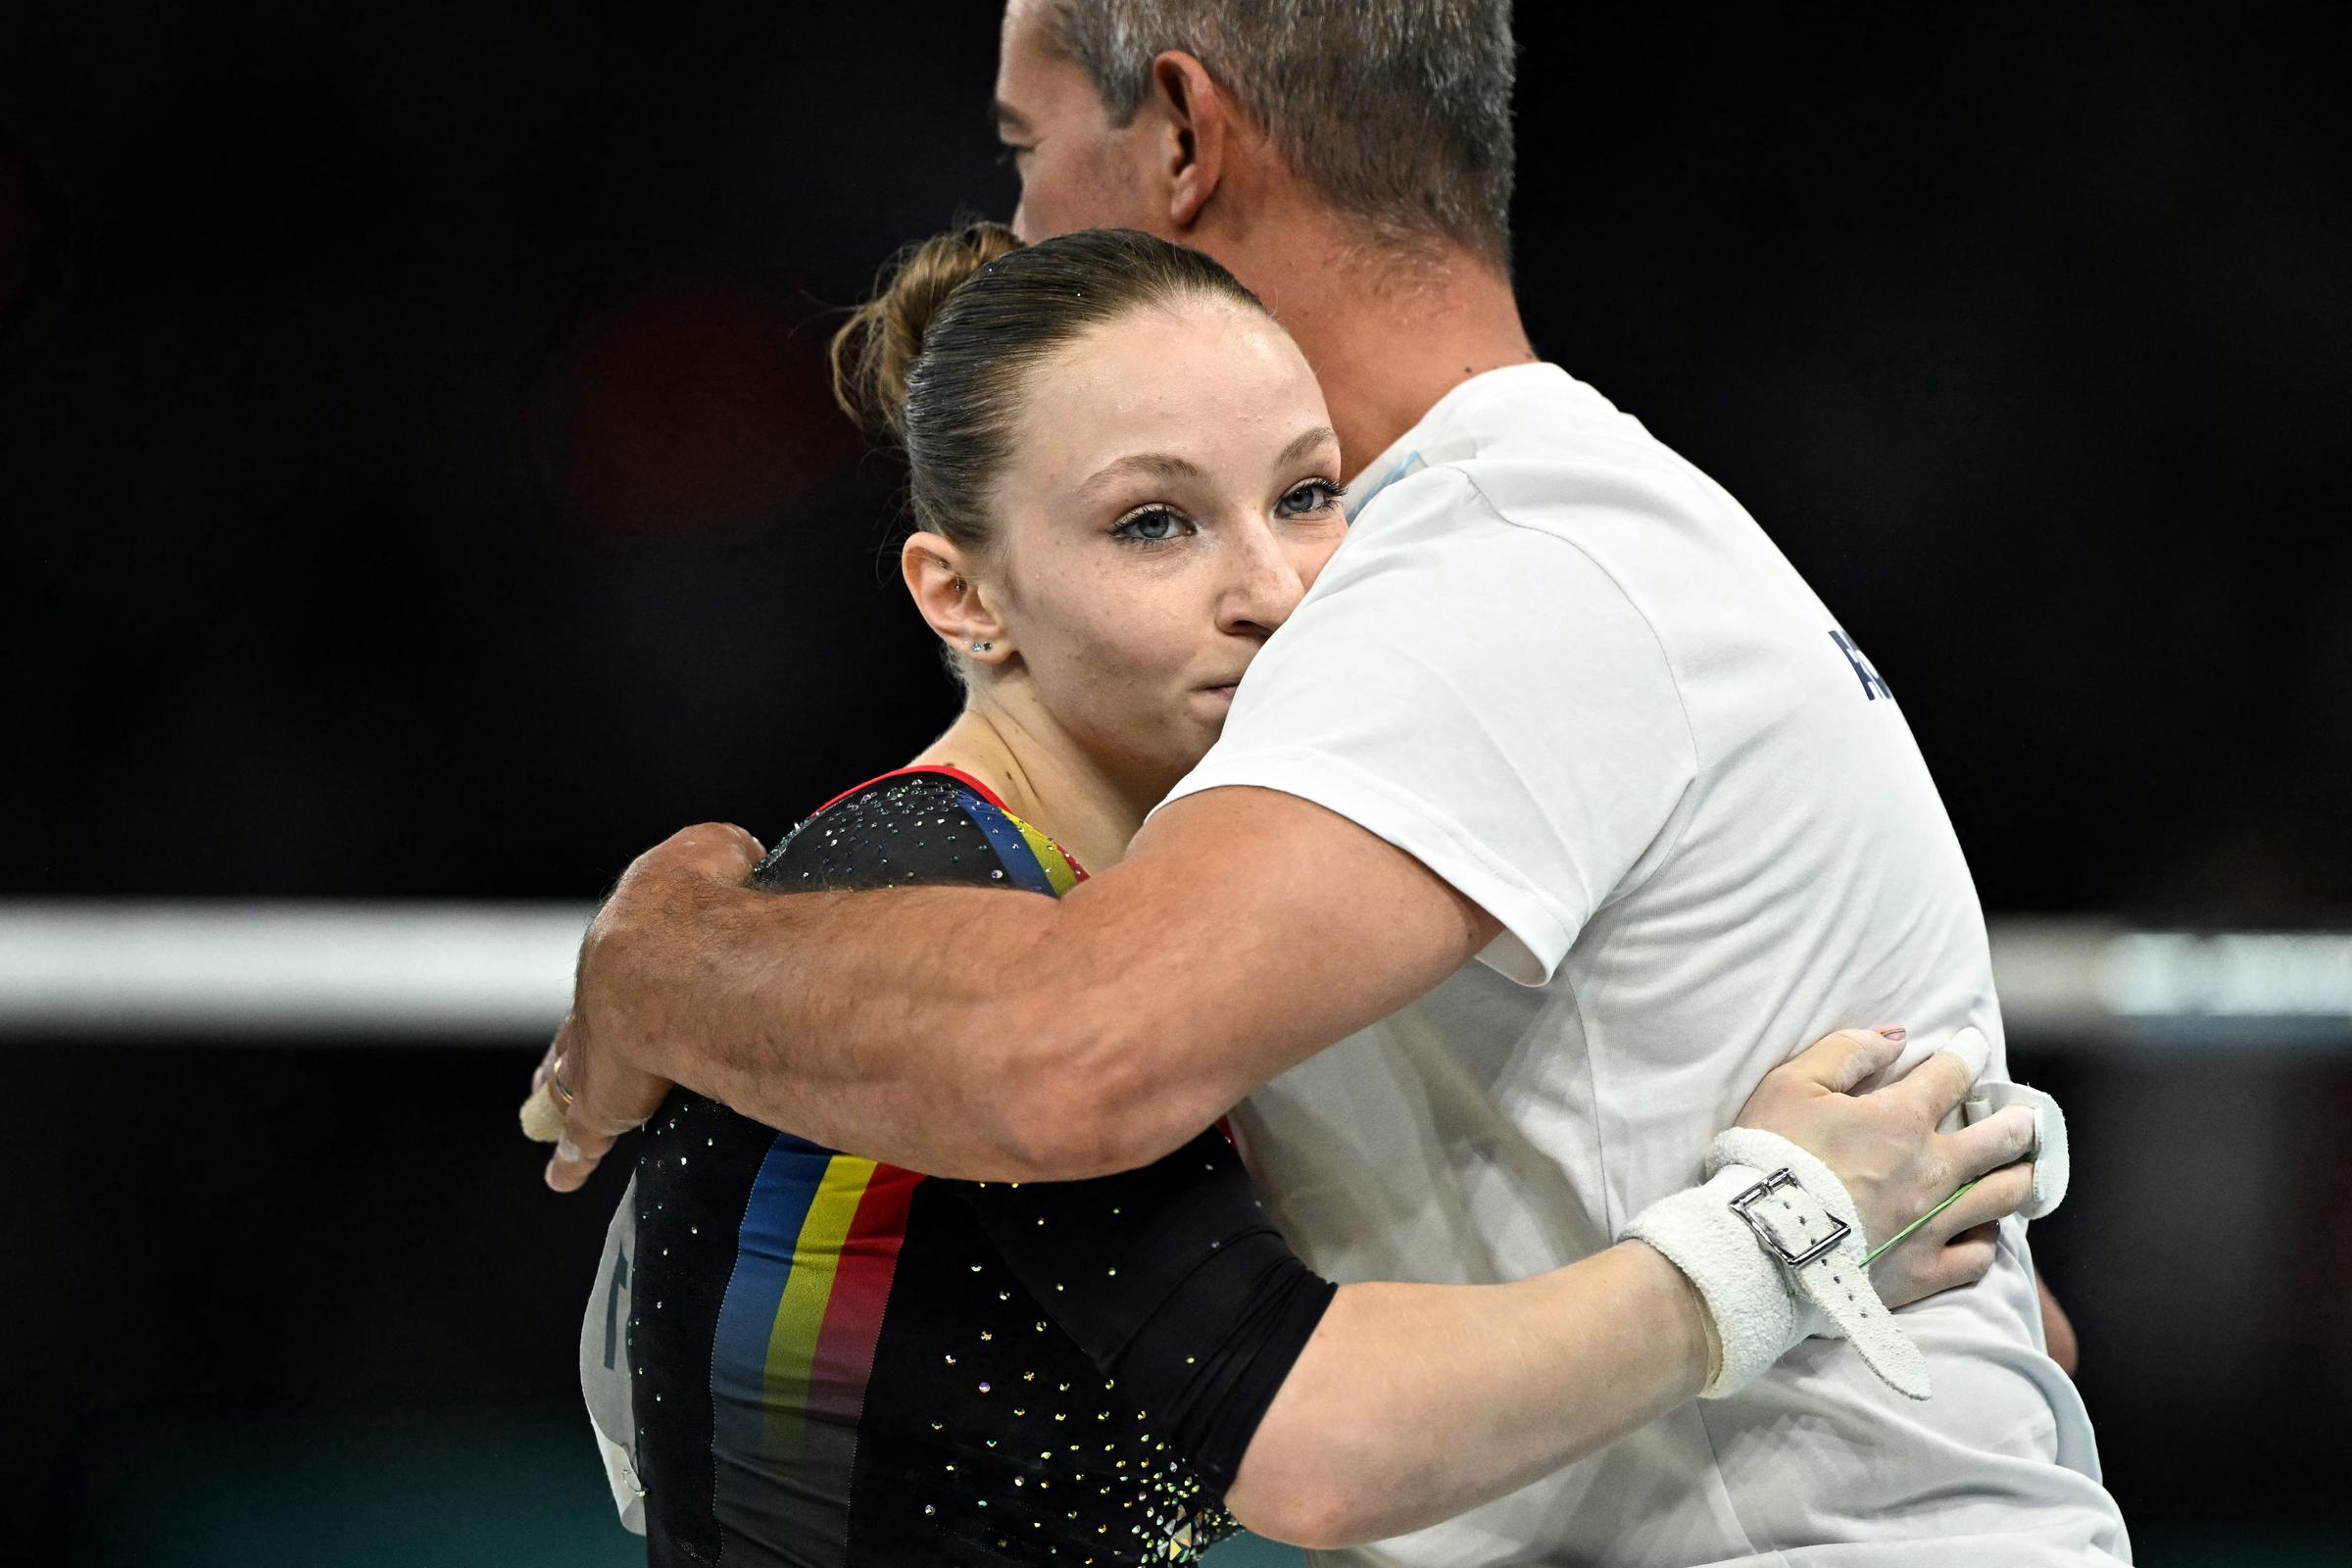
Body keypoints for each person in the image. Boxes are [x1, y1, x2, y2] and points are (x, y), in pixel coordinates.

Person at [535, 3, 2130, 1562]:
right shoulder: (1523, 554)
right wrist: (1785, 1245)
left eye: (1026, 149)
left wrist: (662, 960)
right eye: (1156, 520)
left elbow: (1069, 1060)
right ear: (961, 593)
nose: (1014, 227)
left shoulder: (1480, 579)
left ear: (1177, 135)